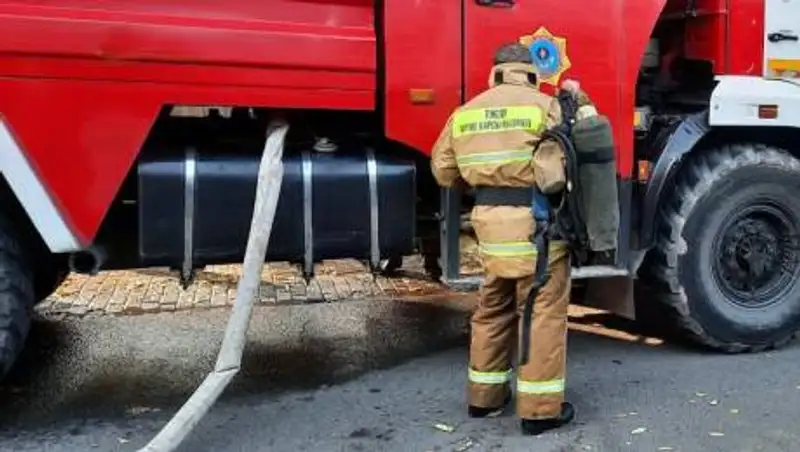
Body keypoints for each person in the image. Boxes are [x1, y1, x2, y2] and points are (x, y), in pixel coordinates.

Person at [430, 43, 592, 436]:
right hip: (536, 231)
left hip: (490, 233)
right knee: (540, 314)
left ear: (495, 72)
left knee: (492, 309)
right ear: (531, 70)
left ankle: (484, 399)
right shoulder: (545, 106)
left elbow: (443, 172)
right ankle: (539, 411)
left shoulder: (466, 113)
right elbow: (579, 153)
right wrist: (582, 102)